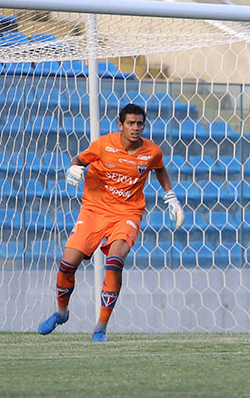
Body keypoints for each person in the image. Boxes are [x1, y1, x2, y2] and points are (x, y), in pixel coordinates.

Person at [37, 103, 185, 342]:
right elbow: (79, 159)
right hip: (95, 209)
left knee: (114, 261)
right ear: (120, 125)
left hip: (127, 212)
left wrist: (172, 198)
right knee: (67, 263)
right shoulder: (104, 145)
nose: (136, 128)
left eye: (139, 124)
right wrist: (74, 169)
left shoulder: (152, 151)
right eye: (131, 123)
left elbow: (159, 169)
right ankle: (61, 313)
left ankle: (100, 328)